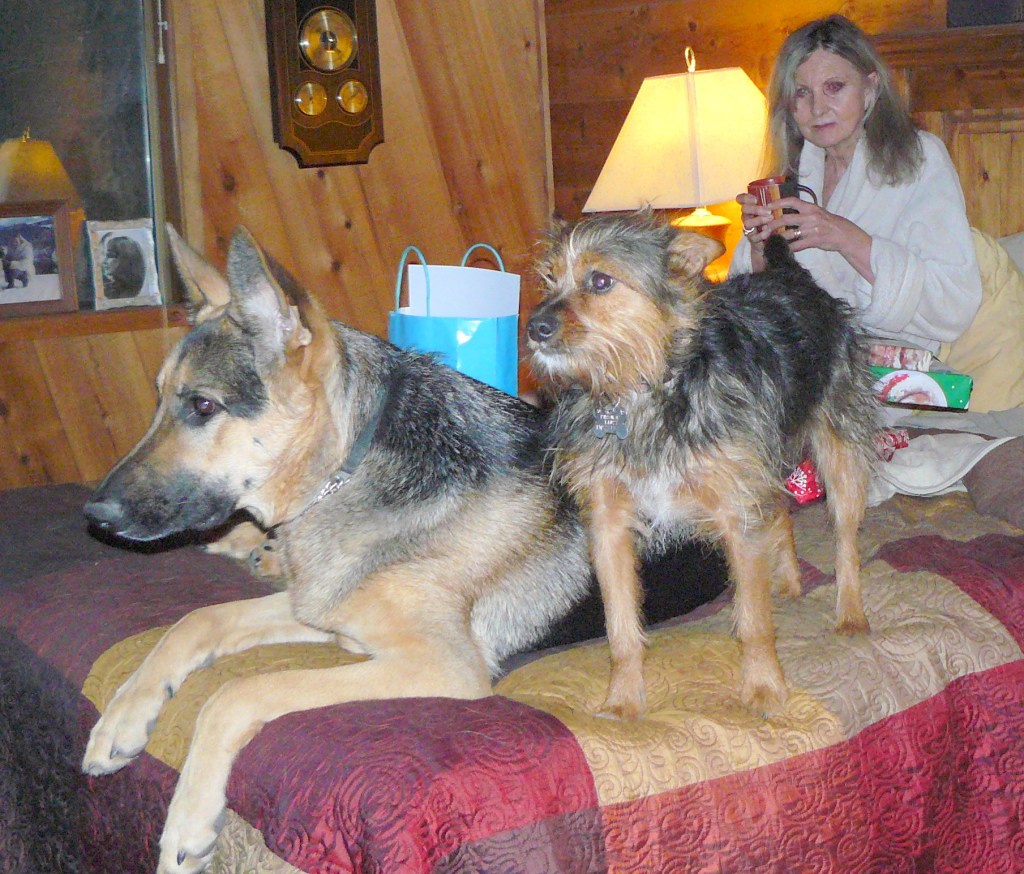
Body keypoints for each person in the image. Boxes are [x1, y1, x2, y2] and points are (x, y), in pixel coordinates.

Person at [731, 14, 981, 355]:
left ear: (870, 88)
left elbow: (953, 304)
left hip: (882, 374)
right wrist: (761, 248)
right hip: (797, 366)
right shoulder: (790, 177)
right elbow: (760, 309)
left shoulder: (919, 158)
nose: (818, 109)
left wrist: (845, 237)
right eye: (802, 93)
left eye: (834, 87)